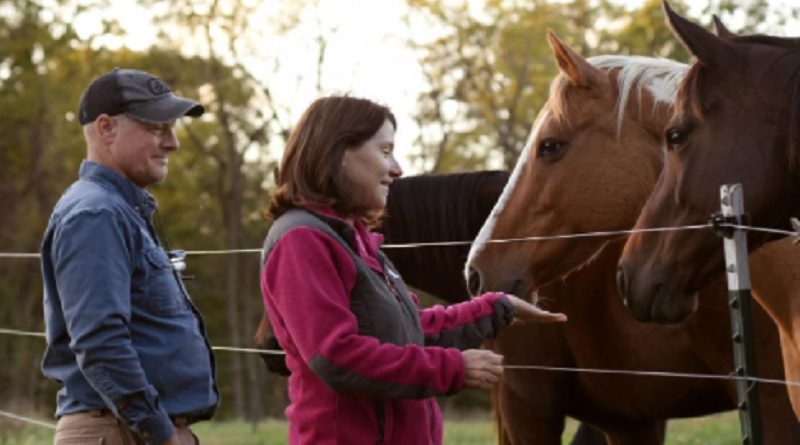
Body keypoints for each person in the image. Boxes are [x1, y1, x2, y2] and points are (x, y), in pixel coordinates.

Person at [260, 95, 566, 445]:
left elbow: (411, 329)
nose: (398, 168)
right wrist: (453, 368)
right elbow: (336, 356)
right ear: (339, 153)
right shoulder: (301, 239)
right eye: (385, 150)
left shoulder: (356, 240)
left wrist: (498, 307)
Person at [41, 68, 219, 445]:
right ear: (106, 128)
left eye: (172, 128)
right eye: (157, 128)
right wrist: (160, 431)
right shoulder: (96, 214)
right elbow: (100, 341)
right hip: (122, 432)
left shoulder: (119, 211)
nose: (172, 143)